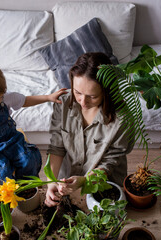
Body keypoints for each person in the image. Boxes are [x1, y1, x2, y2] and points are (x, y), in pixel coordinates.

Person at [0, 58, 67, 186]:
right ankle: (8, 195)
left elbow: (25, 100)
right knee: (0, 171)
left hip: (11, 141)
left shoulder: (6, 97)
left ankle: (27, 186)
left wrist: (48, 97)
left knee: (29, 158)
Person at [44, 52, 134, 207]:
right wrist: (51, 181)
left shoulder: (123, 118)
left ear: (107, 92)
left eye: (92, 96)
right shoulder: (63, 104)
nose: (83, 102)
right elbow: (56, 147)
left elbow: (110, 162)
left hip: (105, 183)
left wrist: (86, 180)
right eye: (78, 92)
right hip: (68, 180)